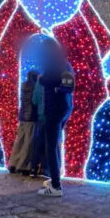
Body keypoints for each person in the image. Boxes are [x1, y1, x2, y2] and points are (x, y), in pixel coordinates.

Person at [38, 40, 74, 197]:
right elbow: (69, 86)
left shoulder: (53, 64)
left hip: (54, 109)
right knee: (55, 145)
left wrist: (42, 79)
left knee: (51, 146)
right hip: (64, 107)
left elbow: (51, 81)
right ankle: (55, 178)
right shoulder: (64, 63)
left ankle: (55, 187)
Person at [9, 71, 39, 174]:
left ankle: (13, 163)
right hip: (31, 118)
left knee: (19, 141)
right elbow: (35, 101)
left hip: (22, 116)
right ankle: (23, 166)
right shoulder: (35, 87)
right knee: (28, 143)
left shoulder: (24, 85)